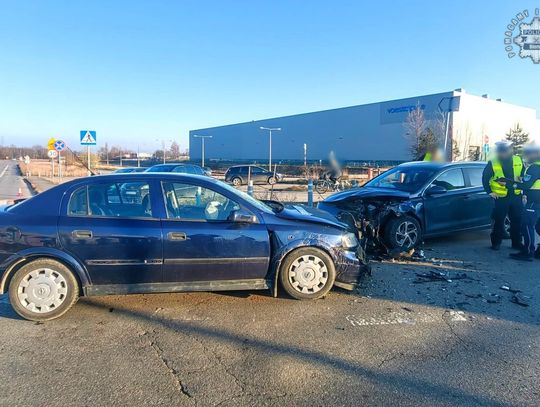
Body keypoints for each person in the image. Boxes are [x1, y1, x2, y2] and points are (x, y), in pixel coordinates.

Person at [482, 140, 524, 250]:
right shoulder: (493, 162)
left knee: (517, 220)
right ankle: (496, 243)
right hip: (501, 197)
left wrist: (523, 190)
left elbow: (523, 176)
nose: (503, 153)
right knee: (499, 220)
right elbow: (485, 178)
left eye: (505, 150)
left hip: (516, 195)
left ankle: (516, 243)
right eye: (501, 151)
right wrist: (489, 192)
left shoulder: (518, 160)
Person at [509, 144, 540, 261]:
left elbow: (527, 185)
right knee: (538, 227)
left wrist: (511, 184)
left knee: (527, 225)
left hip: (534, 202)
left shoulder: (535, 168)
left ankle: (528, 252)